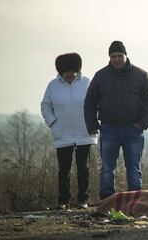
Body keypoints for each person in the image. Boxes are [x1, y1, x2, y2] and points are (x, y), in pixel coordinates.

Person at [84, 41, 148, 200]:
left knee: (133, 169)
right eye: (113, 56)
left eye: (119, 56)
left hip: (133, 129)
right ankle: (106, 200)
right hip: (109, 128)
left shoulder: (141, 75)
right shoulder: (100, 76)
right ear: (109, 57)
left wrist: (143, 123)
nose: (117, 59)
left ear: (126, 56)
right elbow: (89, 101)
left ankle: (135, 201)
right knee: (107, 168)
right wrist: (92, 124)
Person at [41, 53, 97, 209]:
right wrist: (53, 122)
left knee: (83, 168)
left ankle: (83, 200)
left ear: (77, 70)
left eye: (72, 71)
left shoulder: (87, 83)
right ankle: (63, 201)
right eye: (66, 72)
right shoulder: (53, 85)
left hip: (84, 132)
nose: (69, 75)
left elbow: (95, 102)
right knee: (64, 169)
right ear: (60, 71)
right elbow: (45, 105)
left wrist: (93, 122)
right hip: (63, 133)